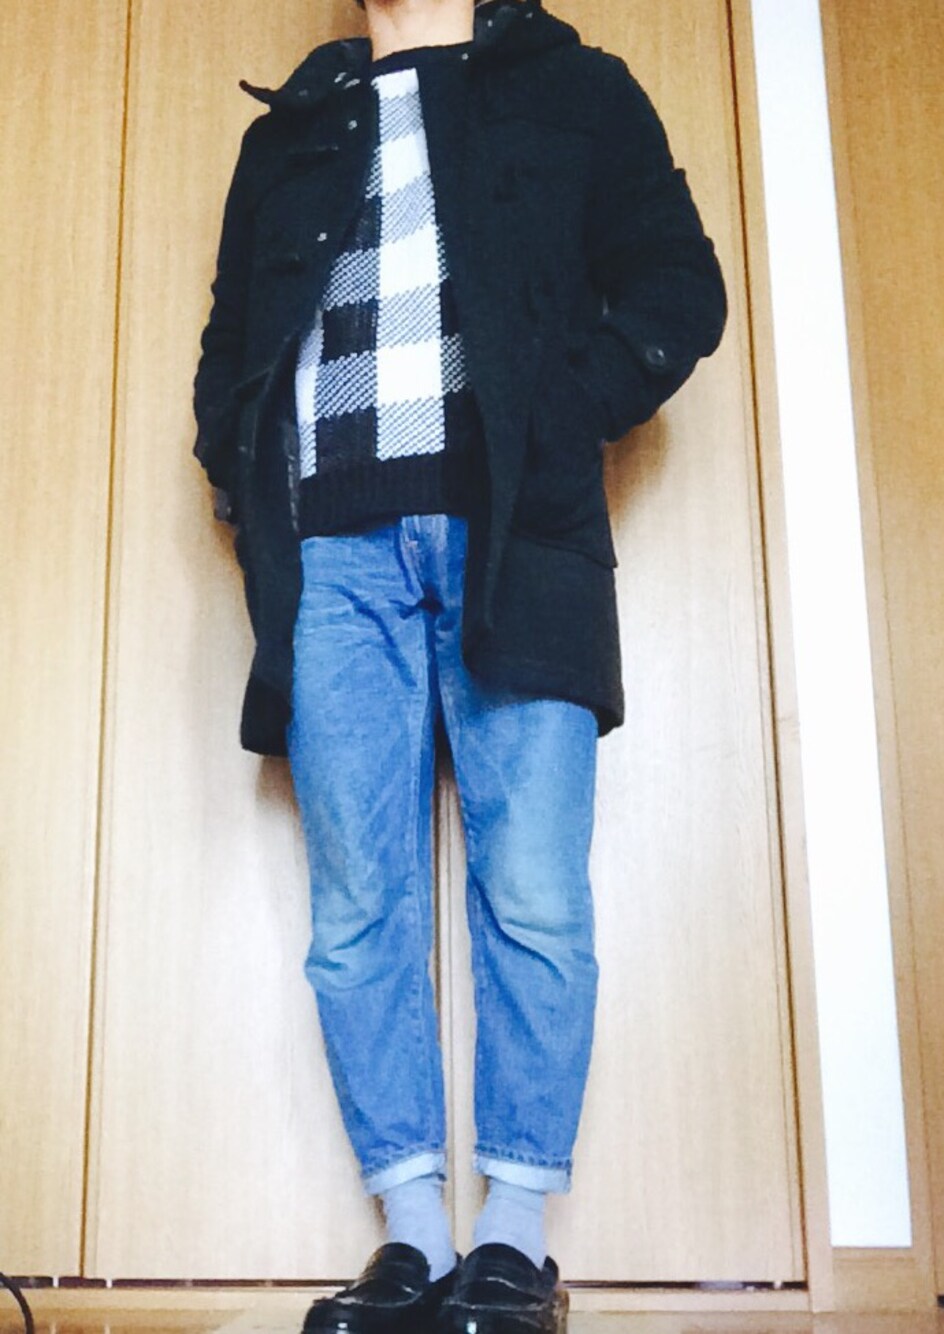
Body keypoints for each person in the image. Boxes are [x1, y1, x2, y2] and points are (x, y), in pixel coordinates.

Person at [192, 0, 726, 1329]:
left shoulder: (577, 88)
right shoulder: (293, 127)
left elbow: (679, 285)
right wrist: (235, 461)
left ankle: (514, 1242)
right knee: (356, 907)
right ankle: (416, 1240)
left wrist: (553, 417)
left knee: (534, 889)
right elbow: (229, 342)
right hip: (330, 558)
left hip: (519, 540)